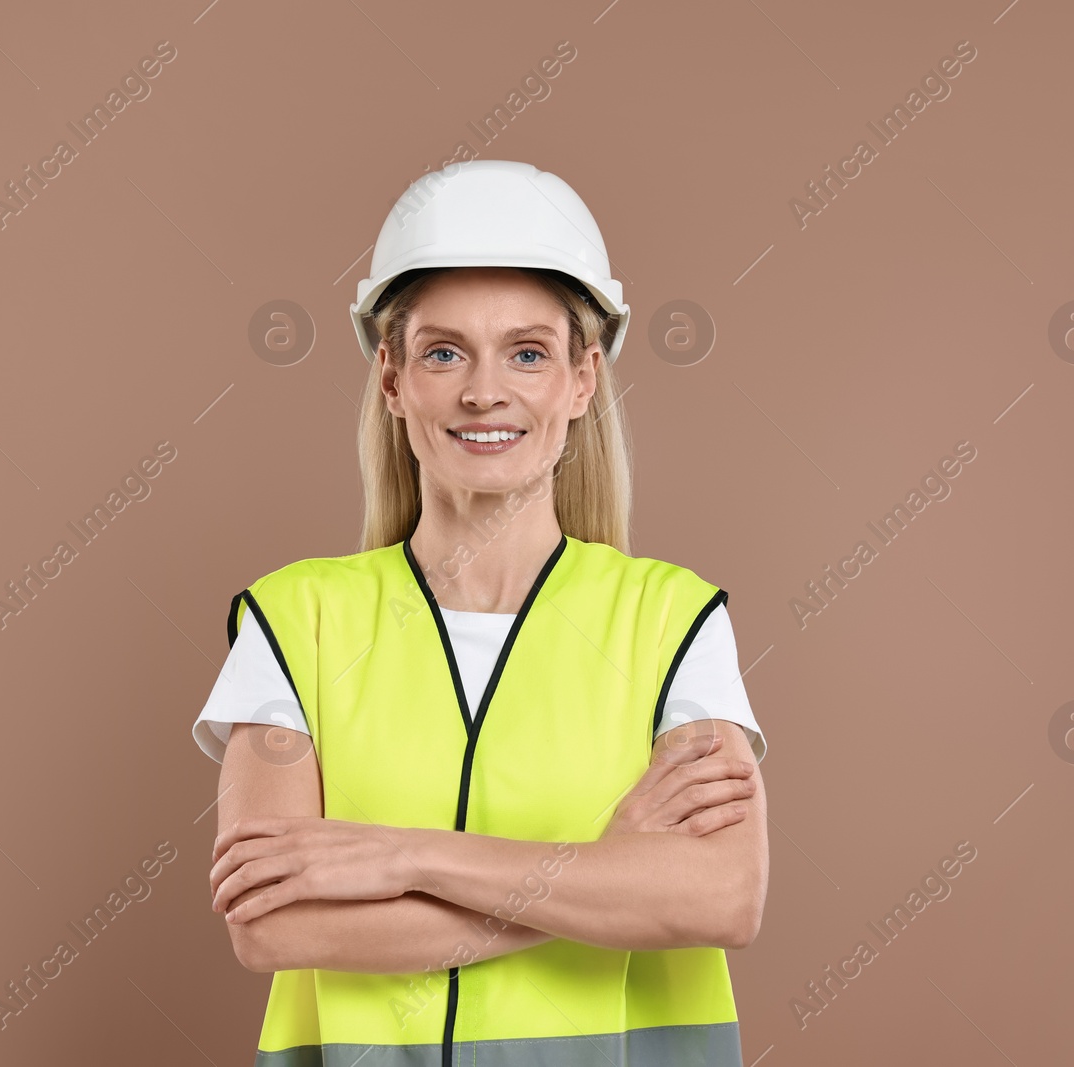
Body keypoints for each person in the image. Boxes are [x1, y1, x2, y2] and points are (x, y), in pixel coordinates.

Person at [194, 160, 769, 1067]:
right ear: (392, 379)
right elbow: (274, 926)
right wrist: (597, 874)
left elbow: (721, 897)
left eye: (528, 353)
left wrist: (406, 858)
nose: (483, 392)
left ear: (583, 382)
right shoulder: (293, 622)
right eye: (444, 351)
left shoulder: (674, 622)